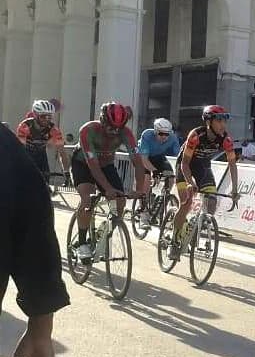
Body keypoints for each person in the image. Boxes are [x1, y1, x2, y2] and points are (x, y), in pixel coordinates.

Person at [1, 124, 70, 357]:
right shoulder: (17, 134)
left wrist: (41, 323)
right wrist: (41, 323)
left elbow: (29, 213)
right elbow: (31, 217)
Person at [69, 102, 143, 261]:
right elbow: (93, 166)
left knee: (120, 202)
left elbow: (137, 162)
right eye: (111, 128)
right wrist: (108, 188)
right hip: (83, 164)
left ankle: (100, 235)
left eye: (118, 128)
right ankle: (82, 243)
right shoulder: (87, 130)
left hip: (106, 164)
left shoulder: (126, 133)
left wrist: (140, 188)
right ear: (102, 121)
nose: (115, 132)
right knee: (87, 199)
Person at [169, 105, 241, 259]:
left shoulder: (226, 139)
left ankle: (195, 227)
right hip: (185, 166)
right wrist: (190, 182)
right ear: (209, 122)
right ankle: (174, 241)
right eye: (219, 120)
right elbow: (185, 164)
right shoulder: (195, 135)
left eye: (225, 120)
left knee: (212, 201)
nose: (223, 124)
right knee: (187, 203)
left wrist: (235, 190)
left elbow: (232, 165)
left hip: (202, 166)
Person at [134, 117, 182, 226]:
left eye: (166, 134)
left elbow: (179, 157)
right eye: (161, 134)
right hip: (143, 157)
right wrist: (154, 171)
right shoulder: (147, 135)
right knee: (146, 180)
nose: (164, 137)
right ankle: (143, 211)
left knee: (171, 178)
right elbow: (144, 160)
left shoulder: (173, 138)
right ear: (155, 131)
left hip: (158, 157)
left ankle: (162, 200)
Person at [15, 100, 69, 182]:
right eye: (43, 116)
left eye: (49, 117)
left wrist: (66, 171)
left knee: (45, 182)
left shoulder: (53, 129)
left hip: (41, 155)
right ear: (35, 115)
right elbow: (20, 149)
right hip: (26, 153)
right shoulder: (25, 126)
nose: (47, 120)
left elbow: (62, 152)